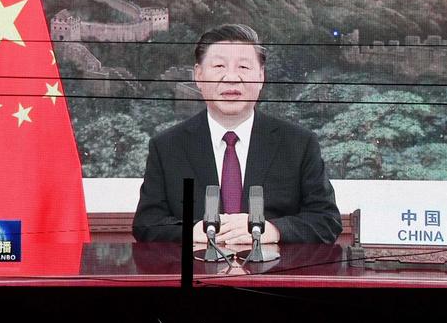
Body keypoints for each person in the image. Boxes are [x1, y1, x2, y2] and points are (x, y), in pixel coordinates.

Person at [132, 24, 342, 245]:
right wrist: (191, 232)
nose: (231, 77)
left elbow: (326, 220)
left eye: (243, 67)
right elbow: (147, 223)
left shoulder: (298, 144)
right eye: (219, 65)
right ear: (199, 75)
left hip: (273, 274)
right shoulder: (167, 146)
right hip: (198, 275)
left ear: (261, 76)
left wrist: (273, 231)